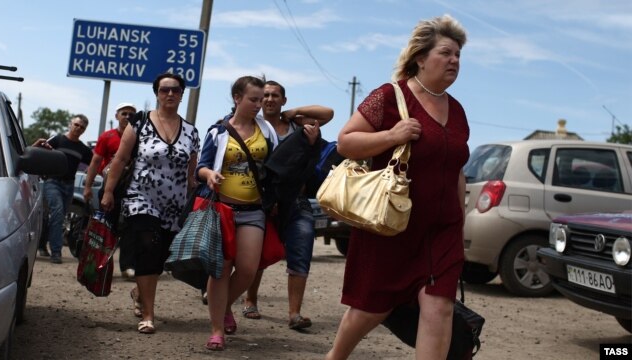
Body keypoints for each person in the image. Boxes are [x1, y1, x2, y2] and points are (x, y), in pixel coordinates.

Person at [325, 14, 469, 360]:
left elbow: (457, 168)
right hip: (392, 225)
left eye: (458, 56)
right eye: (446, 53)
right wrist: (392, 135)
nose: (454, 61)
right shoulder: (390, 96)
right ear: (421, 58)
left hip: (443, 230)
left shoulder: (459, 111)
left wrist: (461, 217)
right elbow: (345, 142)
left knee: (440, 308)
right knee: (372, 308)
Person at [100, 73, 200, 334]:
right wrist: (108, 192)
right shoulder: (139, 123)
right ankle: (148, 315)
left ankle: (139, 292)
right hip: (141, 198)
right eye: (164, 89)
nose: (170, 94)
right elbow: (120, 160)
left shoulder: (191, 131)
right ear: (157, 93)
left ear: (181, 94)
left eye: (175, 90)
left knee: (162, 256)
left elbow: (192, 174)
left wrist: (200, 194)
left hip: (175, 204)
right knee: (146, 245)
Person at [242, 80, 333, 330]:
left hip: (297, 201)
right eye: (265, 95)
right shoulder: (253, 127)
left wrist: (294, 113)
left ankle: (294, 313)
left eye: (275, 95)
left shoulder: (296, 125)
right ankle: (250, 299)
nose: (269, 99)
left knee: (302, 248)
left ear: (283, 100)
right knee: (257, 253)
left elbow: (328, 114)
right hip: (262, 201)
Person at [196, 75, 278, 351]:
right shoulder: (218, 131)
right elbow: (201, 167)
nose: (259, 104)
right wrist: (209, 175)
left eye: (261, 99)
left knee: (247, 269)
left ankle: (224, 305)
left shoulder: (267, 131)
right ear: (237, 98)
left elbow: (278, 167)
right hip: (221, 210)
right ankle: (217, 329)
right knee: (220, 270)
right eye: (254, 99)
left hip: (254, 211)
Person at [83, 102, 138, 280]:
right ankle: (100, 264)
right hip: (110, 189)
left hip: (132, 189)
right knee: (106, 227)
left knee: (131, 228)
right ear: (117, 116)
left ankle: (127, 266)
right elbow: (95, 161)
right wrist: (88, 186)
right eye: (124, 113)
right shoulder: (107, 137)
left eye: (131, 114)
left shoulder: (139, 138)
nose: (127, 117)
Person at [33, 115, 93, 264]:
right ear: (70, 124)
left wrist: (92, 179)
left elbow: (95, 163)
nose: (78, 128)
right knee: (58, 214)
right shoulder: (57, 140)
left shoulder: (83, 149)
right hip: (52, 181)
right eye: (76, 125)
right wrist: (34, 146)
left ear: (84, 131)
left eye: (82, 127)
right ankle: (56, 252)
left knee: (55, 217)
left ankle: (41, 245)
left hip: (69, 185)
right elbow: (36, 150)